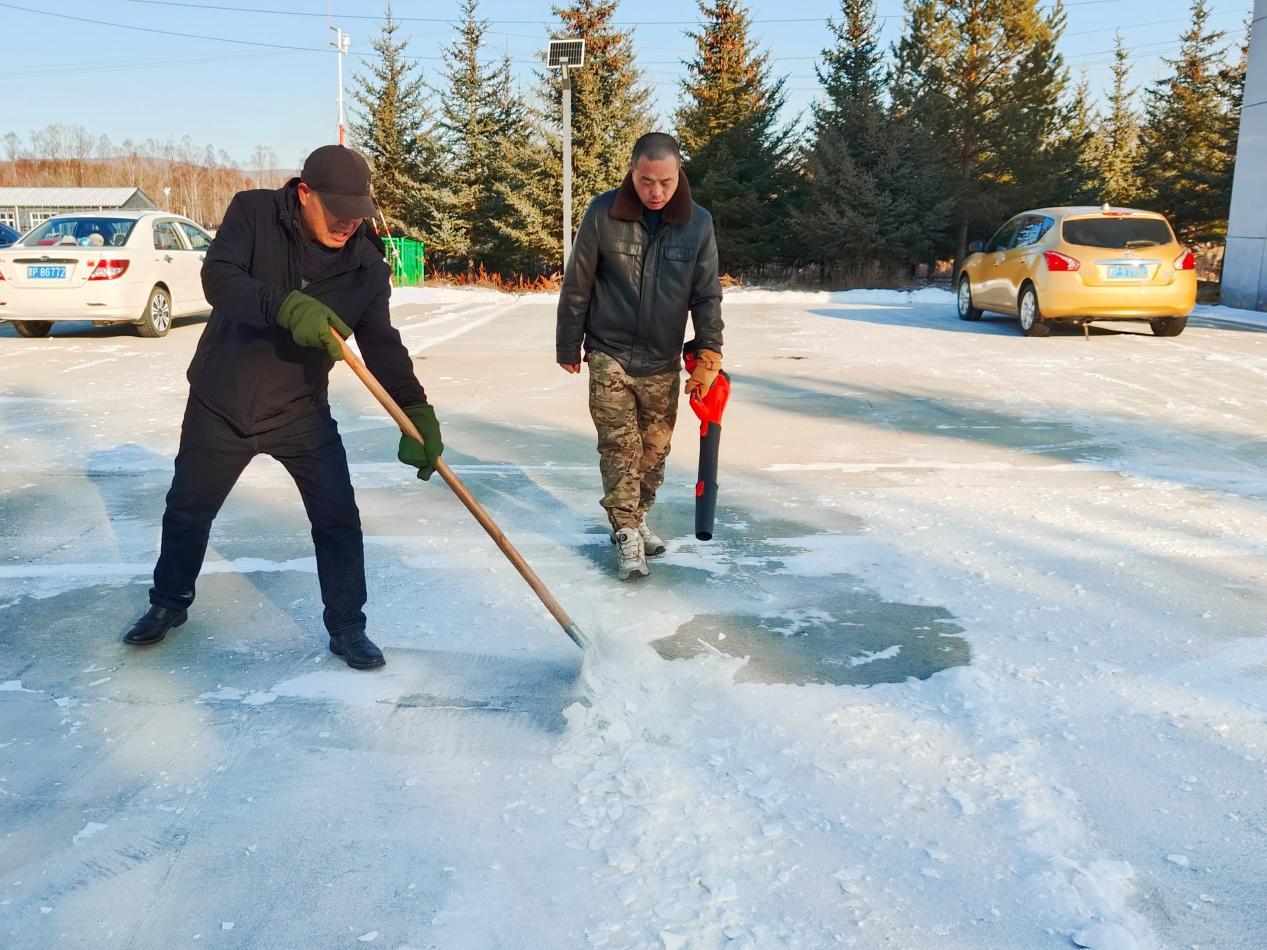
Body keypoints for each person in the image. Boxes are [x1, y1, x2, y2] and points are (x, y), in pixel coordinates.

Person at [121, 145, 443, 670]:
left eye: (356, 212)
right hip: (221, 400)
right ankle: (169, 603)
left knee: (338, 518)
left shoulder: (366, 267)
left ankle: (348, 626)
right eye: (336, 210)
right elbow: (220, 278)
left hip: (299, 409)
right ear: (304, 193)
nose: (347, 223)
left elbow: (382, 345)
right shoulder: (254, 213)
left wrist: (414, 409)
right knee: (187, 509)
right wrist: (284, 305)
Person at [556, 132, 724, 580]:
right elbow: (578, 283)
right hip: (608, 352)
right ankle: (626, 532)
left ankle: (638, 514)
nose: (655, 191)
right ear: (632, 172)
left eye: (665, 182)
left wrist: (709, 352)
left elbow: (706, 295)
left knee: (655, 451)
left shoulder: (698, 223)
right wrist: (568, 343)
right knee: (619, 448)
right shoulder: (602, 212)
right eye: (646, 180)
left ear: (679, 174)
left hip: (662, 358)